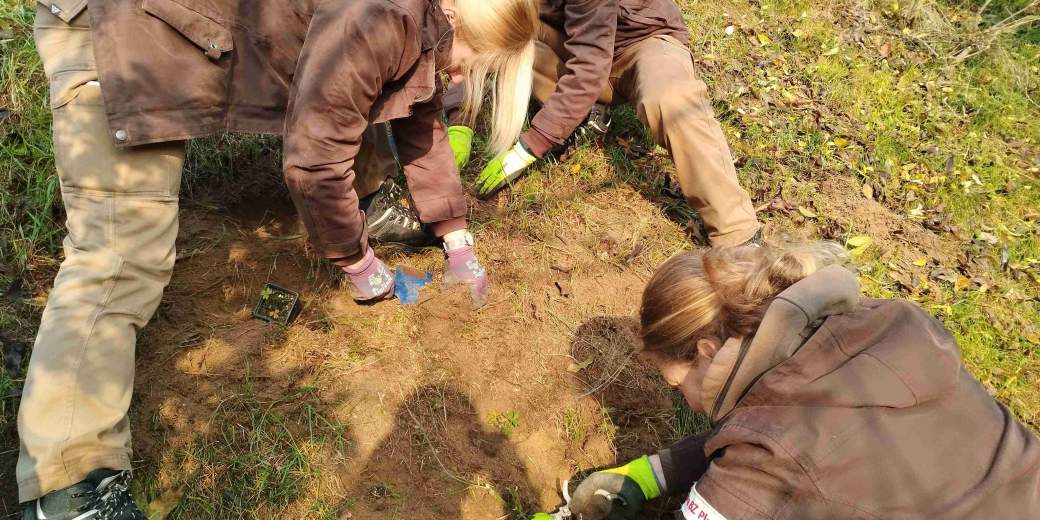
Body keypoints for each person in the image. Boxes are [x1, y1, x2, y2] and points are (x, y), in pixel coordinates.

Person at [18, 0, 537, 518]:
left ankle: (364, 205)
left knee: (361, 104)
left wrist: (456, 236)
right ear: (454, 13)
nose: (464, 74)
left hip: (181, 24)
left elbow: (417, 108)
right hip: (114, 30)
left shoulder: (419, 19)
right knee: (120, 256)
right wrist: (357, 263)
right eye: (474, 59)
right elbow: (313, 157)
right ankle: (71, 485)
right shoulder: (382, 13)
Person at [535, 243, 1040, 519]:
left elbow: (771, 450)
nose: (679, 396)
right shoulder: (885, 322)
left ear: (707, 352)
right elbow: (778, 428)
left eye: (676, 382)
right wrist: (653, 473)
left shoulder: (770, 461)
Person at [447, 0, 762, 248]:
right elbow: (477, 32)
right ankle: (579, 117)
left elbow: (588, 69)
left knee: (670, 99)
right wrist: (459, 118)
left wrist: (534, 143)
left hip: (642, 43)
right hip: (571, 44)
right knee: (511, 36)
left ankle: (739, 235)